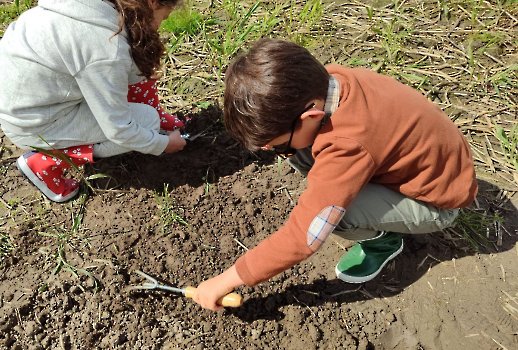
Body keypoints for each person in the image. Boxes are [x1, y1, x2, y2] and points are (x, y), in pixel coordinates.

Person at [192, 39, 477, 311]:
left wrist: (224, 281)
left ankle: (383, 241)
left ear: (311, 117)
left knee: (335, 215)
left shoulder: (350, 144)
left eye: (273, 142)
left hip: (437, 202)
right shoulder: (327, 82)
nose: (268, 149)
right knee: (299, 151)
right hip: (421, 162)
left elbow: (305, 236)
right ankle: (344, 188)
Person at [0, 0, 186, 203]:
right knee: (146, 122)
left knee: (138, 67)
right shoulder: (105, 47)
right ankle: (45, 163)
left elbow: (132, 70)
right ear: (152, 4)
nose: (162, 24)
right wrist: (162, 144)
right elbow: (119, 129)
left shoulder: (100, 7)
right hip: (35, 122)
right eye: (165, 17)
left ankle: (157, 116)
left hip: (25, 97)